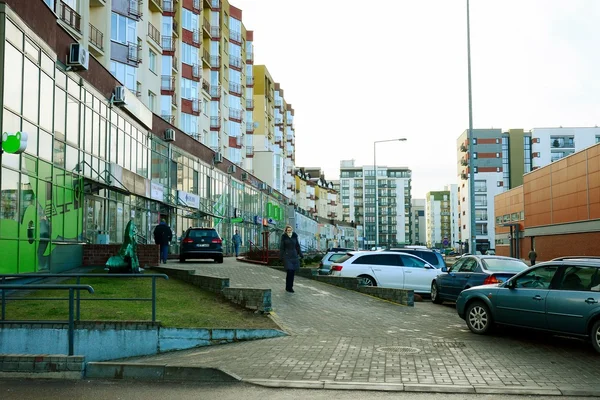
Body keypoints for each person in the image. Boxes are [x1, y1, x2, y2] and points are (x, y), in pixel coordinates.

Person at [280, 225, 303, 293]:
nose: (289, 231)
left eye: (290, 230)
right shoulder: (284, 237)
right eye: (288, 230)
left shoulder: (294, 236)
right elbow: (282, 247)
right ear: (286, 231)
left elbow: (297, 246)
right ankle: (288, 287)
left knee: (292, 272)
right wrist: (281, 256)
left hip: (294, 256)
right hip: (287, 256)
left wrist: (301, 254)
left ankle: (290, 287)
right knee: (289, 270)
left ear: (292, 231)